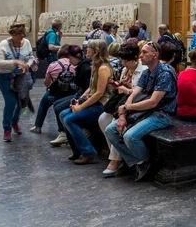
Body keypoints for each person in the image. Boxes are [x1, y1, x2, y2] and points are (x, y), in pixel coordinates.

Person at [105, 41, 177, 182]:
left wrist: (127, 108)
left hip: (162, 114)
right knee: (110, 130)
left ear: (155, 55)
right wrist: (122, 115)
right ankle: (138, 162)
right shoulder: (146, 72)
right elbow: (134, 94)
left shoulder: (165, 73)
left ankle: (146, 161)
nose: (140, 56)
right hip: (144, 112)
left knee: (130, 136)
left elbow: (153, 102)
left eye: (144, 52)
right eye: (141, 52)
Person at [60, 39, 113, 164]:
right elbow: (90, 88)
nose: (86, 49)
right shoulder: (95, 65)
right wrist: (79, 101)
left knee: (69, 119)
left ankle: (88, 152)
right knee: (63, 114)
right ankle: (77, 150)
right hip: (93, 101)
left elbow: (99, 93)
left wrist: (81, 107)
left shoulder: (103, 68)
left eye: (89, 48)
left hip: (101, 105)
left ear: (96, 51)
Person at [98, 43, 147, 177]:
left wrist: (127, 89)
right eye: (123, 60)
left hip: (136, 105)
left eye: (127, 60)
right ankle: (116, 153)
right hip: (124, 102)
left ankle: (115, 160)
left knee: (115, 123)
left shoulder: (143, 71)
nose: (124, 63)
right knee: (103, 119)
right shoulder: (126, 69)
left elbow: (143, 92)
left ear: (135, 58)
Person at [0, 23, 37, 142]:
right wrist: (16, 62)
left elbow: (31, 58)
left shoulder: (26, 43)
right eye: (18, 36)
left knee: (21, 101)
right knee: (10, 102)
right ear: (12, 34)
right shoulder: (4, 44)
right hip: (5, 76)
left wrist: (26, 66)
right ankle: (6, 129)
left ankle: (14, 122)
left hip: (20, 77)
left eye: (22, 35)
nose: (20, 38)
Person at [49, 45, 91, 147]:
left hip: (85, 96)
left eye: (70, 58)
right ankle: (63, 133)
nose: (69, 61)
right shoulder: (81, 66)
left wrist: (78, 100)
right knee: (56, 103)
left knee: (60, 107)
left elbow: (87, 88)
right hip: (80, 94)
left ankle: (70, 133)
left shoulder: (85, 68)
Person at [30, 45, 76, 133]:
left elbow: (46, 83)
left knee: (43, 104)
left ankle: (38, 126)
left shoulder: (53, 65)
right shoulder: (75, 65)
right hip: (71, 94)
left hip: (55, 94)